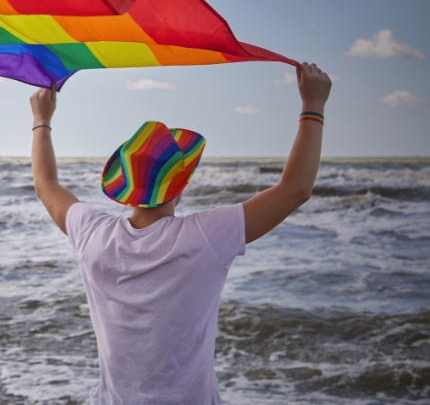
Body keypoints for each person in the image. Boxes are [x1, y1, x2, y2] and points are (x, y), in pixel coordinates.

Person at [29, 63, 332, 404]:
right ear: (180, 186)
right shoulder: (204, 237)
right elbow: (295, 190)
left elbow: (46, 185)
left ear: (125, 185)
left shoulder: (92, 233)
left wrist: (42, 119)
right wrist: (313, 105)